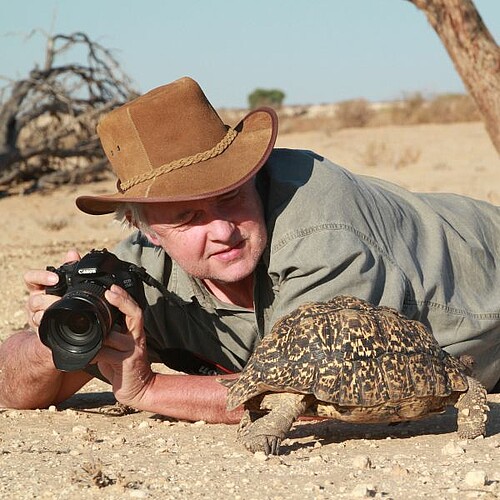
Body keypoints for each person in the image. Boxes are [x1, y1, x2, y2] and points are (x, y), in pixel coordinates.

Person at [0, 77, 499, 422]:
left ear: (254, 177)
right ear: (146, 228)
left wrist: (149, 389)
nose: (222, 229)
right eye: (188, 216)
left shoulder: (320, 230)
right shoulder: (137, 271)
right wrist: (59, 333)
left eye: (229, 196)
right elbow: (11, 389)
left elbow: (311, 395)